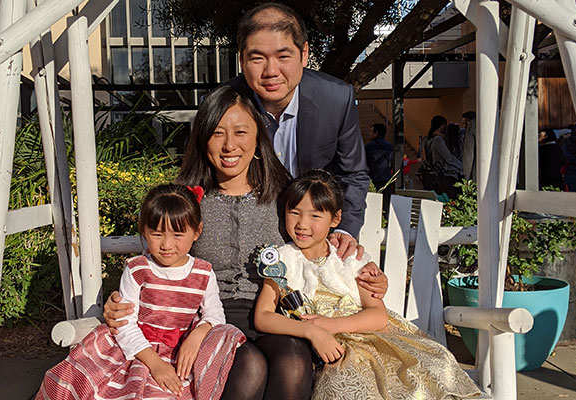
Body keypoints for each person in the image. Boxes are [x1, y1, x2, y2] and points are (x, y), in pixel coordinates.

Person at [103, 85, 389, 400]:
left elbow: (321, 246)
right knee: (249, 364)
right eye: (217, 134)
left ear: (257, 139)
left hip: (275, 315)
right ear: (202, 140)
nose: (229, 145)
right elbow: (156, 264)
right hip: (206, 318)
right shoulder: (186, 201)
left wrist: (366, 275)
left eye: (241, 132)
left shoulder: (286, 198)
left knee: (294, 361)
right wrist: (118, 303)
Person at [254, 170, 481, 399]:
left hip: (367, 335)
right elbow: (263, 316)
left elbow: (378, 315)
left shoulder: (349, 257)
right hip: (331, 349)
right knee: (347, 380)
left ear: (335, 219)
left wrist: (331, 325)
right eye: (294, 213)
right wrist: (312, 331)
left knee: (429, 366)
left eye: (315, 216)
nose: (302, 224)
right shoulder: (282, 260)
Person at [36, 184, 245, 399]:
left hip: (183, 352)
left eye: (177, 235)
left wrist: (197, 336)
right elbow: (125, 322)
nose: (166, 244)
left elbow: (215, 314)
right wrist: (155, 364)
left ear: (197, 232)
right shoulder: (138, 269)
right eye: (157, 234)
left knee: (224, 336)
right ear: (144, 230)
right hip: (139, 351)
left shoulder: (203, 272)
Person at [225, 2, 370, 256]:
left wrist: (344, 231)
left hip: (313, 238)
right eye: (257, 58)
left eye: (283, 57)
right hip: (244, 241)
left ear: (304, 54)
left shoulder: (336, 100)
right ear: (241, 60)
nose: (271, 71)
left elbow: (353, 174)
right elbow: (202, 178)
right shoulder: (223, 104)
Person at [423, 115, 463, 198]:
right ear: (441, 125)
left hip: (442, 174)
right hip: (446, 174)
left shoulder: (434, 138)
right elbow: (448, 157)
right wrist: (462, 166)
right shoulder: (438, 139)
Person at [365, 123, 393, 191]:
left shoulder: (369, 146)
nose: (370, 134)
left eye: (372, 132)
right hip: (387, 178)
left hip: (373, 178)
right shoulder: (390, 146)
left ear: (376, 133)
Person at [461, 111, 476, 181]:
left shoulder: (472, 126)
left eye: (465, 124)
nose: (464, 127)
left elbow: (468, 155)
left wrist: (466, 178)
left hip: (476, 173)